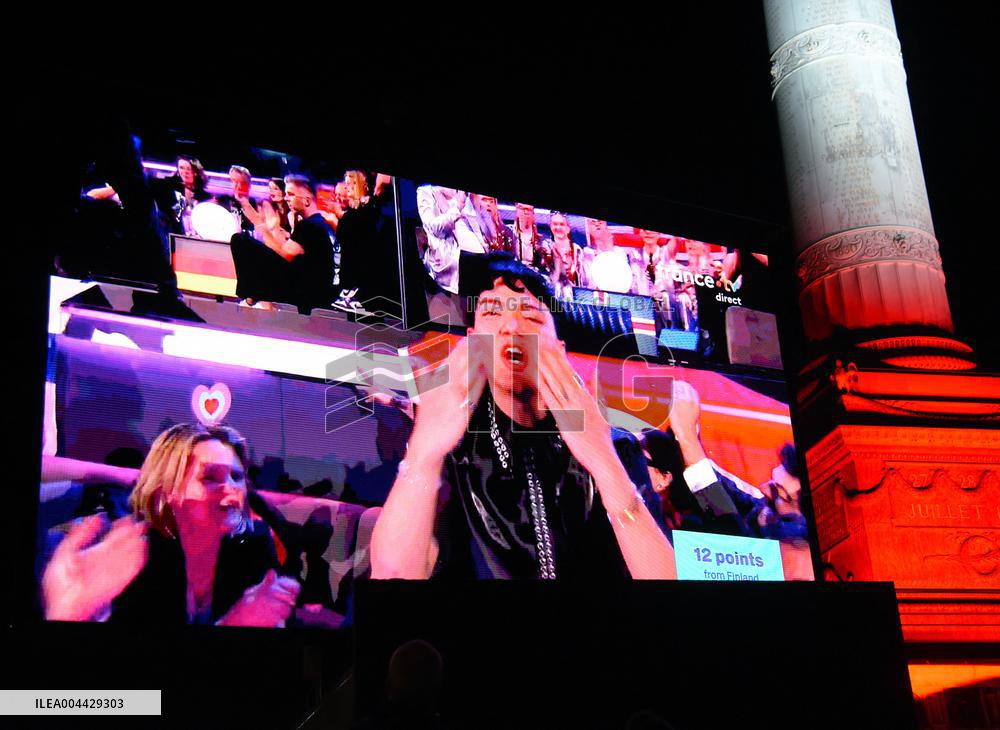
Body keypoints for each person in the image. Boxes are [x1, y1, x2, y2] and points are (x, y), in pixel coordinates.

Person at [370, 253, 675, 580]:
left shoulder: (617, 446)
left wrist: (604, 462)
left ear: (559, 349)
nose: (512, 326)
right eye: (492, 312)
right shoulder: (452, 445)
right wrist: (423, 454)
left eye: (531, 316)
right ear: (472, 341)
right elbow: (392, 576)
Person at [41, 423, 300, 626]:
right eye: (210, 477)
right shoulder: (131, 554)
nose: (231, 488)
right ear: (166, 491)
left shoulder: (254, 545)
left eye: (236, 476)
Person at [416, 185, 483, 294]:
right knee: (481, 266)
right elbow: (434, 229)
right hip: (451, 255)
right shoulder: (426, 191)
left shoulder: (463, 192)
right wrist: (458, 206)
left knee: (500, 262)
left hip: (476, 248)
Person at [149, 155, 212, 236]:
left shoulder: (205, 197)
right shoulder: (168, 190)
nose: (185, 172)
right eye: (181, 168)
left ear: (196, 172)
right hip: (173, 236)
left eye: (188, 168)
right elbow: (170, 217)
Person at [545, 210, 584, 299]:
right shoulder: (547, 246)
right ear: (550, 226)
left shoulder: (577, 249)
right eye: (555, 224)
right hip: (553, 295)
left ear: (568, 228)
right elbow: (550, 280)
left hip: (575, 296)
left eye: (562, 224)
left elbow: (580, 279)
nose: (558, 227)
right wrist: (557, 262)